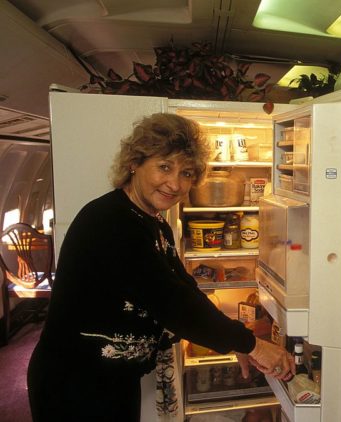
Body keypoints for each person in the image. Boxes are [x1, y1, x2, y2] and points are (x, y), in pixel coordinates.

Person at [27, 113, 294, 422]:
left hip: (113, 378)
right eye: (165, 167)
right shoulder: (111, 221)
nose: (175, 183)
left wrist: (238, 341)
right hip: (74, 382)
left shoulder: (154, 224)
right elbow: (170, 302)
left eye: (187, 173)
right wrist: (252, 344)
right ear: (134, 163)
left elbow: (187, 291)